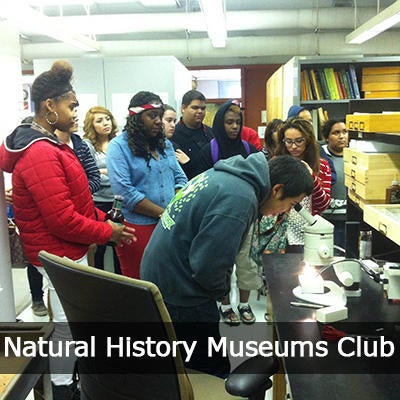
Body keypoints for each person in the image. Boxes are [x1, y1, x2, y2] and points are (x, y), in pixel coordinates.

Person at [0, 60, 135, 399]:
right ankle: (63, 390)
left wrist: (106, 222)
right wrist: (108, 233)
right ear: (50, 106)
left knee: (75, 323)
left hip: (66, 252)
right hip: (56, 255)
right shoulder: (40, 153)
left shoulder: (54, 145)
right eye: (72, 106)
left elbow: (77, 202)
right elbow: (62, 219)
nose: (77, 113)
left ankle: (70, 383)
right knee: (67, 327)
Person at [141, 153, 314, 378]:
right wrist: (221, 294)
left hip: (164, 273)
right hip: (179, 287)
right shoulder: (240, 198)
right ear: (277, 190)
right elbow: (208, 266)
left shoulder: (231, 176)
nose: (286, 211)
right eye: (290, 204)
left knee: (189, 359)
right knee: (208, 370)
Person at [107, 91, 188, 279]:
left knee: (167, 279)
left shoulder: (165, 145)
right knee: (140, 282)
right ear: (136, 117)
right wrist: (163, 213)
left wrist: (172, 210)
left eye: (160, 116)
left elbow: (181, 178)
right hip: (137, 228)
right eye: (152, 116)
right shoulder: (118, 147)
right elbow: (125, 193)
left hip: (168, 224)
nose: (159, 121)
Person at [197, 101, 259, 325]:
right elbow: (204, 185)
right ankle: (224, 304)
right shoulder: (209, 150)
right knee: (222, 263)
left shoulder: (250, 149)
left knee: (247, 262)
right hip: (219, 218)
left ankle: (244, 303)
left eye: (238, 123)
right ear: (219, 123)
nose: (234, 127)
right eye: (229, 122)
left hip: (247, 217)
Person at [275, 118, 331, 251]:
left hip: (309, 232)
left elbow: (323, 204)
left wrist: (311, 177)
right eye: (288, 141)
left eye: (299, 141)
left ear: (308, 140)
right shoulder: (276, 164)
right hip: (278, 233)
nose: (293, 146)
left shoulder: (322, 166)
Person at [82, 106, 122, 274]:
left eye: (107, 118)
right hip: (99, 201)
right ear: (92, 126)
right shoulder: (88, 145)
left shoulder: (118, 142)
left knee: (119, 244)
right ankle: (100, 281)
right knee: (100, 246)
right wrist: (113, 174)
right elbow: (89, 175)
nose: (105, 123)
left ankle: (122, 281)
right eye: (99, 121)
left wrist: (105, 172)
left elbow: (124, 171)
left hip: (118, 201)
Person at [287, 104, 337, 185]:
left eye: (310, 120)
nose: (309, 124)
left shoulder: (317, 148)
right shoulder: (281, 152)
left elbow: (332, 176)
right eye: (303, 121)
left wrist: (316, 180)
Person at [171, 90, 214, 179]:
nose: (200, 111)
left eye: (203, 108)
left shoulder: (211, 134)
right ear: (183, 108)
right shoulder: (172, 135)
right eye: (195, 108)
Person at [321, 119, 349, 250]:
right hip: (326, 219)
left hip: (349, 219)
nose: (342, 136)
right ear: (327, 137)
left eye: (345, 132)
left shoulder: (354, 156)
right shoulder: (321, 156)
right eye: (336, 133)